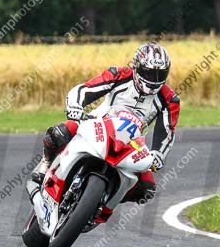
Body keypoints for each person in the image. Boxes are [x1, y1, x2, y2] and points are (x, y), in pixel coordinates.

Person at [32, 42, 180, 209]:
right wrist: (76, 107)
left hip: (131, 143)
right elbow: (85, 90)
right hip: (97, 124)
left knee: (147, 188)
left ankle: (101, 201)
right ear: (137, 68)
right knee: (60, 132)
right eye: (149, 73)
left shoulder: (170, 99)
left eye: (160, 75)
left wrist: (158, 154)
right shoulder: (118, 75)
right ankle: (45, 163)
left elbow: (167, 131)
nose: (155, 80)